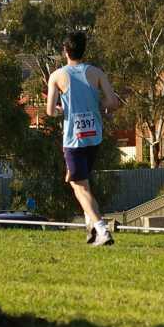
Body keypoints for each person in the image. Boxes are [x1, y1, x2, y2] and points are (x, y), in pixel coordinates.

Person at [46, 31, 120, 246]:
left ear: (65, 51)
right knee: (80, 182)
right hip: (94, 137)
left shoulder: (58, 76)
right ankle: (91, 228)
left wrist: (63, 109)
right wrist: (97, 105)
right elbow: (113, 102)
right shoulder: (96, 72)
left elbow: (50, 111)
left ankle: (102, 230)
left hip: (74, 139)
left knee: (80, 187)